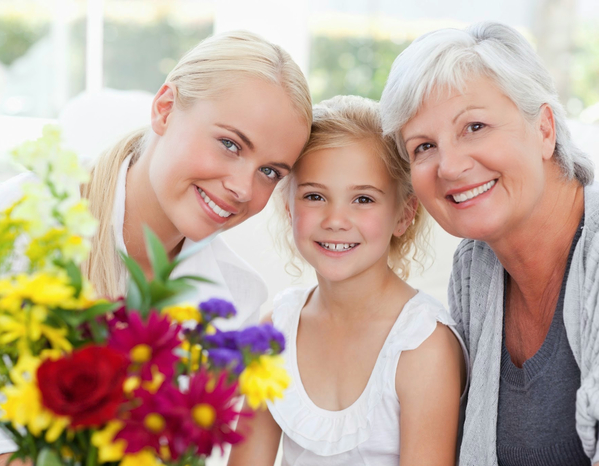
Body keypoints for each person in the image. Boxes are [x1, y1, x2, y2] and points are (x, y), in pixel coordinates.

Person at [0, 31, 312, 466]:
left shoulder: (236, 297)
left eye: (270, 172)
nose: (242, 187)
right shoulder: (28, 219)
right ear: (165, 109)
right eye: (230, 144)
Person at [379, 21, 599, 466]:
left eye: (474, 126)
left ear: (544, 130)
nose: (451, 166)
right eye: (423, 147)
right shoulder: (475, 269)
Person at [228, 95, 467, 466]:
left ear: (404, 215)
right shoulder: (277, 329)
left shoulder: (423, 345)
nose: (336, 219)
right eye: (314, 196)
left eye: (363, 199)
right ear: (289, 207)